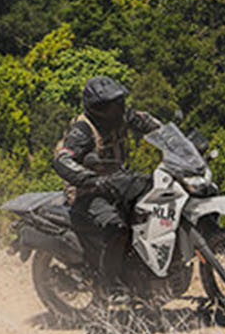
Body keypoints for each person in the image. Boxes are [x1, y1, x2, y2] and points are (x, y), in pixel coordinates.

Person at [51, 75, 163, 288]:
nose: (119, 107)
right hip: (88, 190)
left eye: (119, 102)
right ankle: (108, 285)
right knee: (117, 228)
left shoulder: (123, 116)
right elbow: (62, 160)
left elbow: (156, 127)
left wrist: (180, 143)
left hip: (117, 182)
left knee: (154, 202)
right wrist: (90, 179)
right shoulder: (83, 130)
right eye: (113, 105)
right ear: (98, 108)